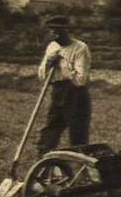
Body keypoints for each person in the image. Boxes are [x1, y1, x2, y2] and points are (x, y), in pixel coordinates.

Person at [36, 15, 92, 154]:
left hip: (76, 94)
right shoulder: (52, 47)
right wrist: (49, 62)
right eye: (50, 30)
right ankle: (44, 162)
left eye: (57, 30)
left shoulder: (80, 48)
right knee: (51, 127)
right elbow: (42, 76)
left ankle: (81, 167)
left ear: (66, 31)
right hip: (58, 91)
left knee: (78, 133)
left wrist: (62, 62)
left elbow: (80, 79)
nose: (53, 34)